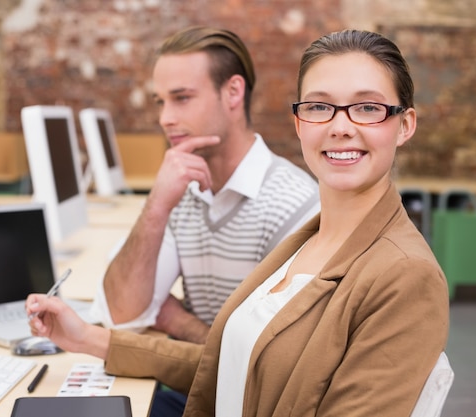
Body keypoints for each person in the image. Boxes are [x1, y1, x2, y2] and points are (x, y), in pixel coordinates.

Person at [27, 29, 450, 417]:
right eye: (320, 106)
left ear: (404, 125)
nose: (340, 126)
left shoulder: (405, 275)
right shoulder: (307, 243)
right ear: (299, 123)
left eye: (367, 108)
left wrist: (171, 321)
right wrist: (85, 338)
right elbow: (232, 359)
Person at [92, 26, 320, 346]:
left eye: (182, 98)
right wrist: (157, 205)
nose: (165, 118)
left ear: (233, 92)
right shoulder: (182, 191)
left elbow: (265, 358)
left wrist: (176, 319)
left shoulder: (295, 205)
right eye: (160, 102)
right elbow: (123, 317)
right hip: (194, 390)